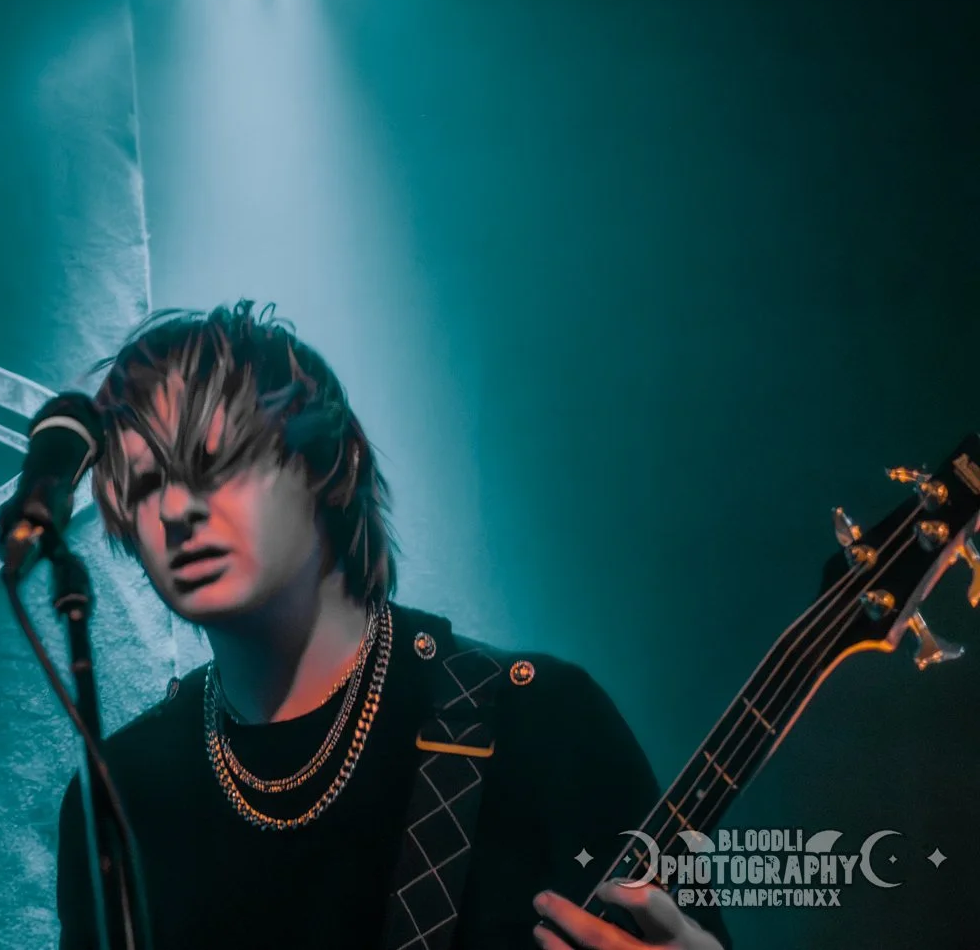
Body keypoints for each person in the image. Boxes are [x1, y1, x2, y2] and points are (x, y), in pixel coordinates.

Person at [55, 302, 730, 950]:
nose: (176, 508)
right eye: (144, 485)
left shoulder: (539, 718)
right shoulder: (120, 793)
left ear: (324, 464)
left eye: (214, 461)